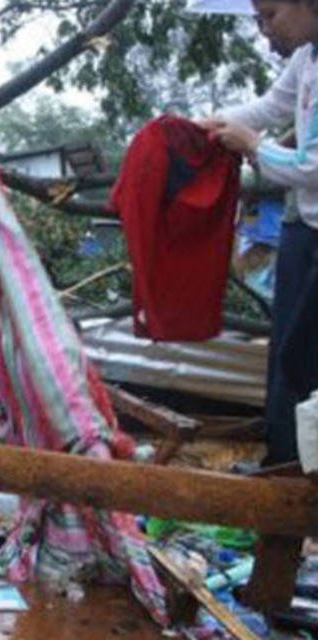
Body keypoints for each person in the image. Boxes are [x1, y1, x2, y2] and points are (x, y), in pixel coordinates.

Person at [198, 0, 318, 464]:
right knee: (283, 359)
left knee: (303, 360)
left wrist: (252, 145)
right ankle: (283, 462)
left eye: (270, 14)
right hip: (304, 227)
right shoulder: (306, 58)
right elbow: (269, 107)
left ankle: (299, 483)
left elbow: (309, 167)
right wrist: (202, 126)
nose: (265, 29)